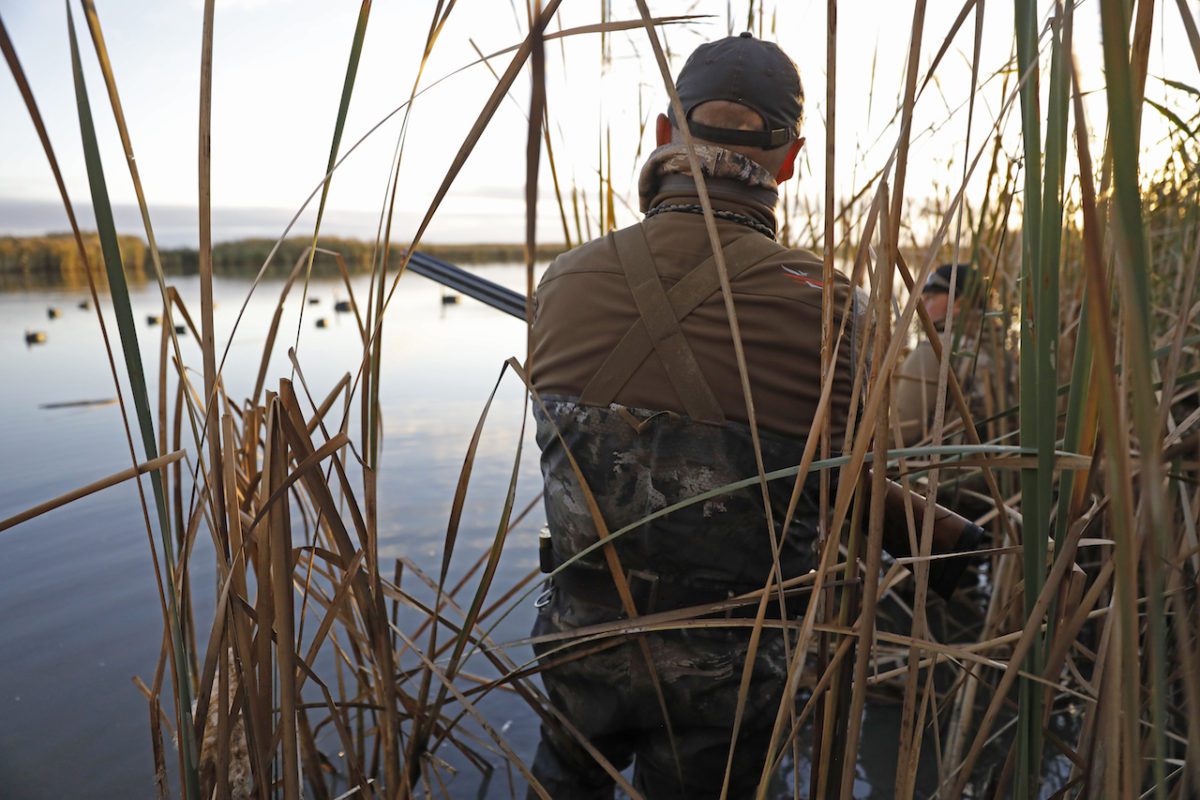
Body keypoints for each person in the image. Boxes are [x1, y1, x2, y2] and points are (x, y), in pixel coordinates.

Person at [524, 33, 981, 799]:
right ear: (792, 158)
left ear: (666, 133)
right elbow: (841, 492)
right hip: (729, 678)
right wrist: (946, 537)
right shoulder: (836, 307)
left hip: (580, 645)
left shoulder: (563, 281)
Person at [893, 263, 1011, 449]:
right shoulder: (1003, 354)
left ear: (960, 304)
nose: (923, 304)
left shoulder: (933, 351)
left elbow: (900, 433)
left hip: (941, 474)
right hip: (1003, 471)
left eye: (931, 298)